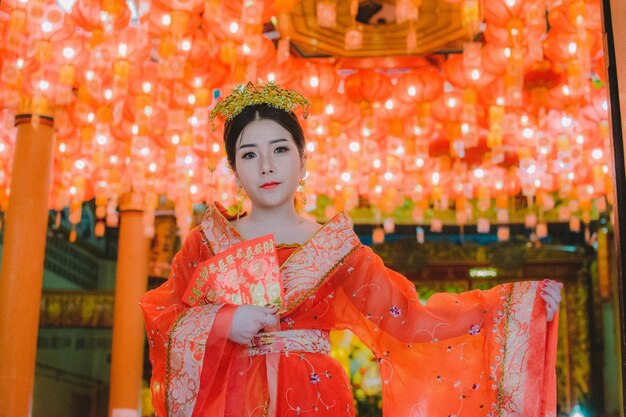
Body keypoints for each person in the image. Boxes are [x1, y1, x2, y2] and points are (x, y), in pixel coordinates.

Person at [140, 81, 563, 417]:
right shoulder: (208, 241)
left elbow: (411, 318)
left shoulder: (337, 248)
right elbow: (165, 316)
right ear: (234, 170)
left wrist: (518, 305)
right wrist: (224, 322)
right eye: (249, 154)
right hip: (232, 399)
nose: (266, 165)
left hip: (317, 398)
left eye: (281, 149)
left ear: (303, 161)